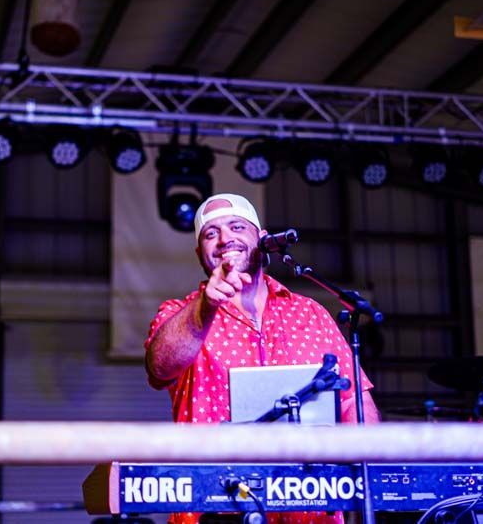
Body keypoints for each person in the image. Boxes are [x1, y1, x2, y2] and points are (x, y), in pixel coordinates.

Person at [145, 193, 379, 524]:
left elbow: (354, 399)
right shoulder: (180, 313)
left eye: (237, 226)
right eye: (211, 234)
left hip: (311, 510)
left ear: (261, 237)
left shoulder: (310, 313)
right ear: (200, 253)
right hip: (216, 507)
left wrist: (360, 471)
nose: (225, 238)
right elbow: (160, 367)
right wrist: (205, 308)